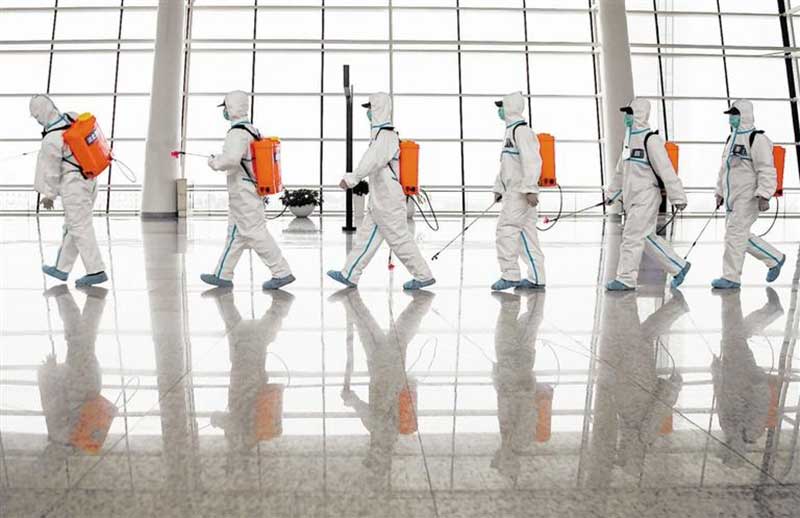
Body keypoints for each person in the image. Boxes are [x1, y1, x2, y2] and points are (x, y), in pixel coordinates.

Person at [327, 92, 436, 291]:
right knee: (365, 238)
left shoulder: (385, 136)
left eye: (370, 108)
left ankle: (424, 276)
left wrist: (351, 179)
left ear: (378, 108)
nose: (368, 112)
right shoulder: (381, 135)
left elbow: (371, 161)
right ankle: (349, 273)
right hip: (380, 200)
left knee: (399, 239)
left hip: (388, 201)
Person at [332, 288, 434, 475]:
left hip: (391, 377)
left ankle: (421, 302)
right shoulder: (381, 435)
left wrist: (353, 400)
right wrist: (351, 399)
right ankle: (350, 298)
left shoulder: (390, 435)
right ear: (383, 457)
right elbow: (370, 415)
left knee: (398, 333)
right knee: (368, 330)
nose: (371, 453)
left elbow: (374, 414)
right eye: (374, 458)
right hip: (384, 373)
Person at [201, 90, 295, 291]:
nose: (224, 111)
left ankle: (282, 272)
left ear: (232, 108)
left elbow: (231, 160)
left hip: (244, 193)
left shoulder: (237, 133)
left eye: (226, 107)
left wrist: (213, 162)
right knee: (235, 234)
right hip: (246, 191)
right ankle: (223, 274)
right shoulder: (251, 130)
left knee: (255, 233)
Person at [605, 98, 690, 291]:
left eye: (630, 113)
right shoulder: (628, 141)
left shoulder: (650, 140)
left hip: (646, 198)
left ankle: (626, 279)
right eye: (626, 113)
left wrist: (678, 197)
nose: (627, 117)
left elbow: (665, 169)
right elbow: (621, 172)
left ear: (639, 114)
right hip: (632, 199)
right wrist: (612, 194)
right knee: (647, 238)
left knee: (631, 237)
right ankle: (679, 266)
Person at [205, 288, 294, 464]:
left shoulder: (253, 434)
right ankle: (280, 305)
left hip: (249, 382)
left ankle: (225, 298)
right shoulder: (245, 435)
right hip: (246, 382)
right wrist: (215, 419)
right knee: (250, 340)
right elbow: (231, 421)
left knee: (244, 338)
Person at [32, 94, 108, 287]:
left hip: (74, 186)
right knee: (73, 226)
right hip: (90, 179)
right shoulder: (72, 117)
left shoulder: (51, 139)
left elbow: (51, 172)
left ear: (41, 113)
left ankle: (96, 270)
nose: (37, 120)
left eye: (36, 116)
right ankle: (62, 268)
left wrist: (49, 196)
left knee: (79, 227)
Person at [712, 100, 785, 290]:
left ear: (744, 115)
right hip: (732, 198)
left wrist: (764, 195)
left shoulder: (757, 139)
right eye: (731, 114)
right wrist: (720, 192)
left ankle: (731, 277)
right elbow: (724, 169)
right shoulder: (731, 139)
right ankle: (775, 258)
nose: (732, 118)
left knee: (735, 235)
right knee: (737, 235)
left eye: (735, 114)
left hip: (748, 197)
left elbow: (766, 169)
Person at [712, 288, 782, 467]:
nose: (724, 444)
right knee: (732, 336)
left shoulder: (727, 428)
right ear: (737, 451)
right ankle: (731, 295)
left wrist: (716, 372)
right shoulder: (752, 431)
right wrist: (758, 383)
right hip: (746, 375)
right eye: (727, 449)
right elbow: (761, 403)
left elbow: (721, 396)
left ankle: (771, 311)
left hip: (731, 373)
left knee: (734, 335)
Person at [38, 285, 112, 453]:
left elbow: (100, 410)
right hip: (77, 381)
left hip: (91, 382)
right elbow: (53, 401)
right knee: (77, 337)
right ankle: (64, 295)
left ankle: (95, 298)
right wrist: (50, 371)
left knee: (84, 338)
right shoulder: (59, 435)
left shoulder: (87, 442)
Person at [491, 92, 546, 292]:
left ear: (511, 107)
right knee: (526, 235)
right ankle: (537, 278)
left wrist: (530, 189)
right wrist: (499, 188)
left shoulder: (522, 131)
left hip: (519, 193)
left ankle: (510, 275)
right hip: (514, 192)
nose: (500, 110)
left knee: (506, 230)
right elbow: (507, 165)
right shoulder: (511, 131)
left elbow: (532, 161)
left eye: (502, 106)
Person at [490, 290, 546, 481]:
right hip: (516, 371)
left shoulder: (508, 438)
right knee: (521, 329)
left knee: (523, 328)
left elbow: (506, 403)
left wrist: (498, 379)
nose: (499, 455)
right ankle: (527, 297)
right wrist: (519, 387)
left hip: (511, 372)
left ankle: (516, 303)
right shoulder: (520, 441)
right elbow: (528, 410)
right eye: (502, 460)